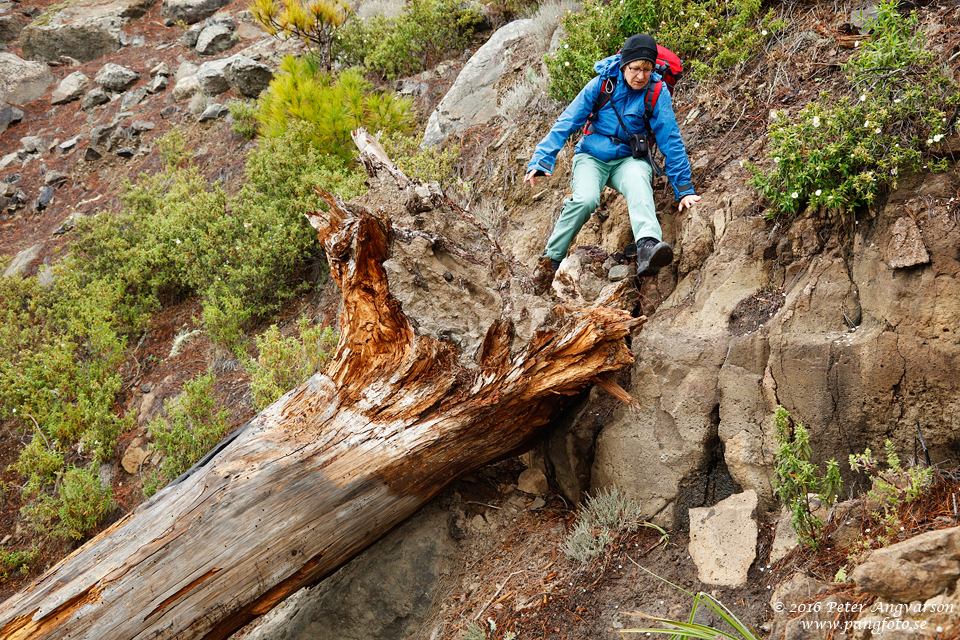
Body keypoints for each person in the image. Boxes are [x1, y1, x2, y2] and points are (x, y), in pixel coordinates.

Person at [524, 33, 701, 291]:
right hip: (591, 157)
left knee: (640, 183)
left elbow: (670, 140)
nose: (641, 76)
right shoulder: (602, 84)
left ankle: (648, 247)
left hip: (629, 159)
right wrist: (541, 159)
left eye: (647, 69)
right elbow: (567, 121)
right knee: (585, 200)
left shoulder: (656, 91)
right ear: (623, 65)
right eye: (635, 69)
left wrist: (684, 190)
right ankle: (550, 259)